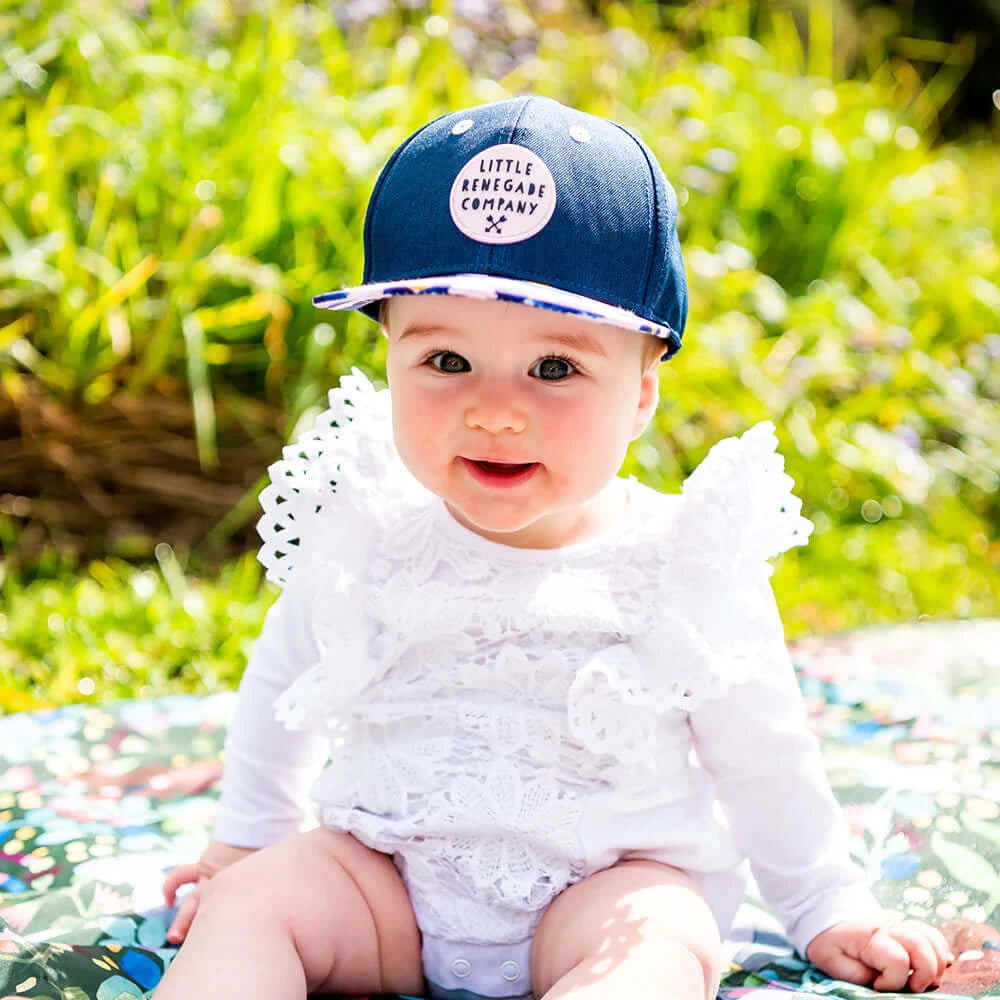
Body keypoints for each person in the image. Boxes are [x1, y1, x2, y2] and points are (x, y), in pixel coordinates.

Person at [156, 96, 952, 1000]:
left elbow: (764, 756)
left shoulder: (683, 564)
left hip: (599, 886)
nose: (495, 411)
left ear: (642, 392)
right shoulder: (368, 530)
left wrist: (825, 905)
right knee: (252, 905)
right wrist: (245, 848)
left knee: (661, 935)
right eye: (446, 362)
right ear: (391, 361)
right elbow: (281, 688)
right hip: (386, 884)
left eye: (555, 368)